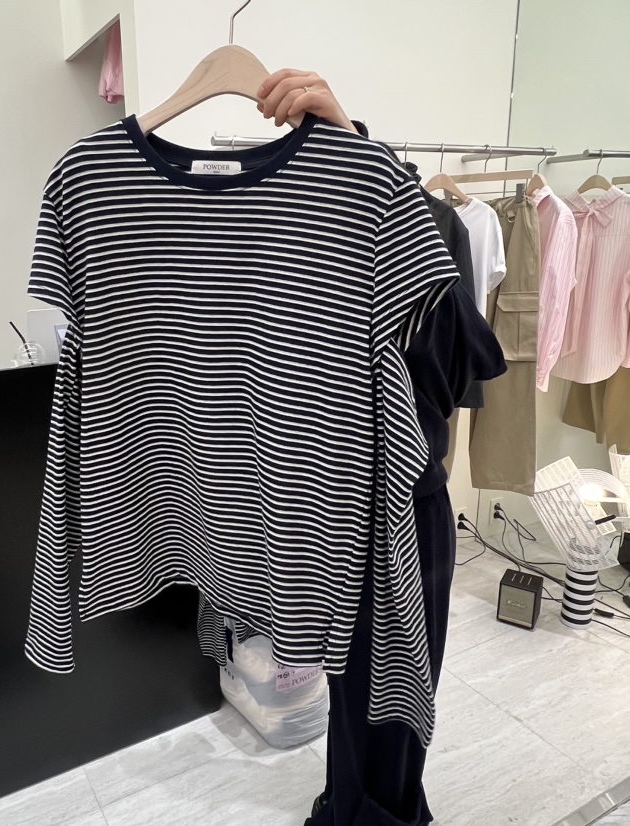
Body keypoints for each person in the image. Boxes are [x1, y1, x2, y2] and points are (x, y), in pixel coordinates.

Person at [255, 70, 507, 826]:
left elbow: (459, 357)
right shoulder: (263, 228)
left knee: (391, 708)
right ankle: (347, 805)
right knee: (351, 693)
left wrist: (359, 155)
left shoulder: (416, 215)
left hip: (397, 497)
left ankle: (369, 812)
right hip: (316, 499)